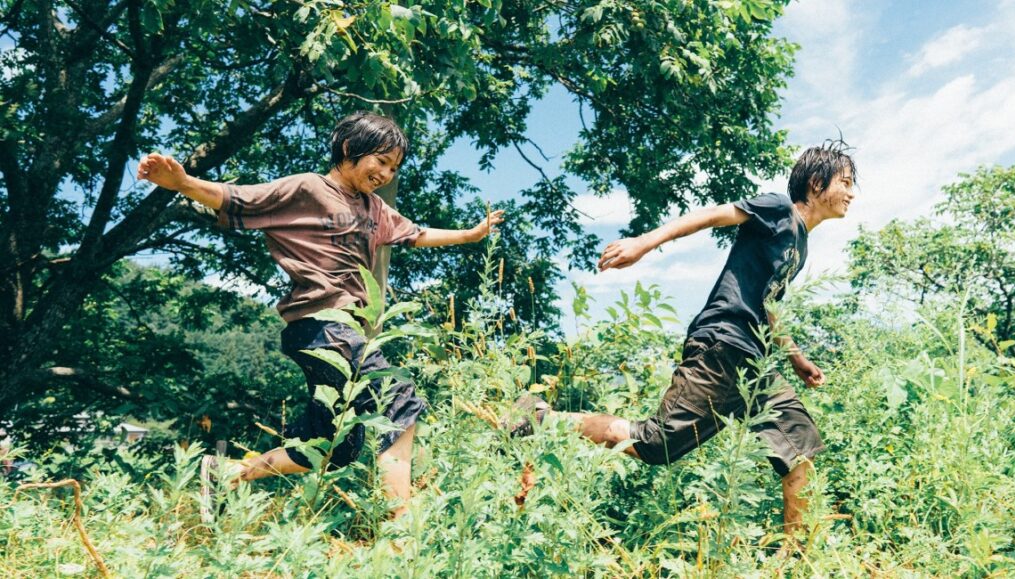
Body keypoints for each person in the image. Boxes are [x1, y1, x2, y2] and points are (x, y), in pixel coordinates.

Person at [138, 111, 504, 517]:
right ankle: (402, 528)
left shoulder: (375, 209)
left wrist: (471, 235)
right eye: (380, 161)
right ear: (349, 149)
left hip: (335, 333)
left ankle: (227, 473)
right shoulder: (308, 188)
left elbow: (416, 234)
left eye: (394, 167)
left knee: (333, 445)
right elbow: (240, 198)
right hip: (323, 326)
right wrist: (183, 183)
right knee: (398, 398)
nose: (385, 173)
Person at [509, 141, 856, 537]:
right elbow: (713, 216)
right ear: (816, 183)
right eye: (845, 182)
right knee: (656, 445)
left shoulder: (800, 243)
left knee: (800, 450)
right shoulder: (778, 209)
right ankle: (540, 417)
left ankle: (794, 559)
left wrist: (795, 357)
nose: (851, 193)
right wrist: (643, 243)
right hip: (722, 346)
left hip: (756, 363)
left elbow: (770, 305)